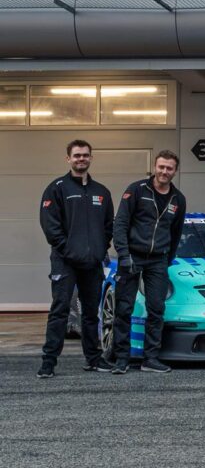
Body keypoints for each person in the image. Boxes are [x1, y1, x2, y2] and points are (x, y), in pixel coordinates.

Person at [36, 139, 114, 379]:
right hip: (65, 262)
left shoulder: (102, 192)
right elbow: (50, 225)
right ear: (68, 158)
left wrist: (100, 250)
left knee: (91, 313)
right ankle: (48, 362)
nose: (81, 159)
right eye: (77, 155)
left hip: (92, 263)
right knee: (59, 310)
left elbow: (108, 226)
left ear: (91, 158)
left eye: (85, 155)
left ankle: (93, 359)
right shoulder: (56, 188)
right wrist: (68, 250)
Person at [110, 150, 187, 374]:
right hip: (131, 257)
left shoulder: (178, 199)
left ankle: (150, 358)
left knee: (156, 309)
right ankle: (121, 358)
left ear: (175, 171)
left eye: (169, 168)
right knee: (124, 308)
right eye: (161, 167)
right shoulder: (136, 190)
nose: (164, 171)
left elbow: (176, 232)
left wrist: (167, 258)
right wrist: (123, 254)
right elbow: (121, 223)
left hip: (158, 261)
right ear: (155, 166)